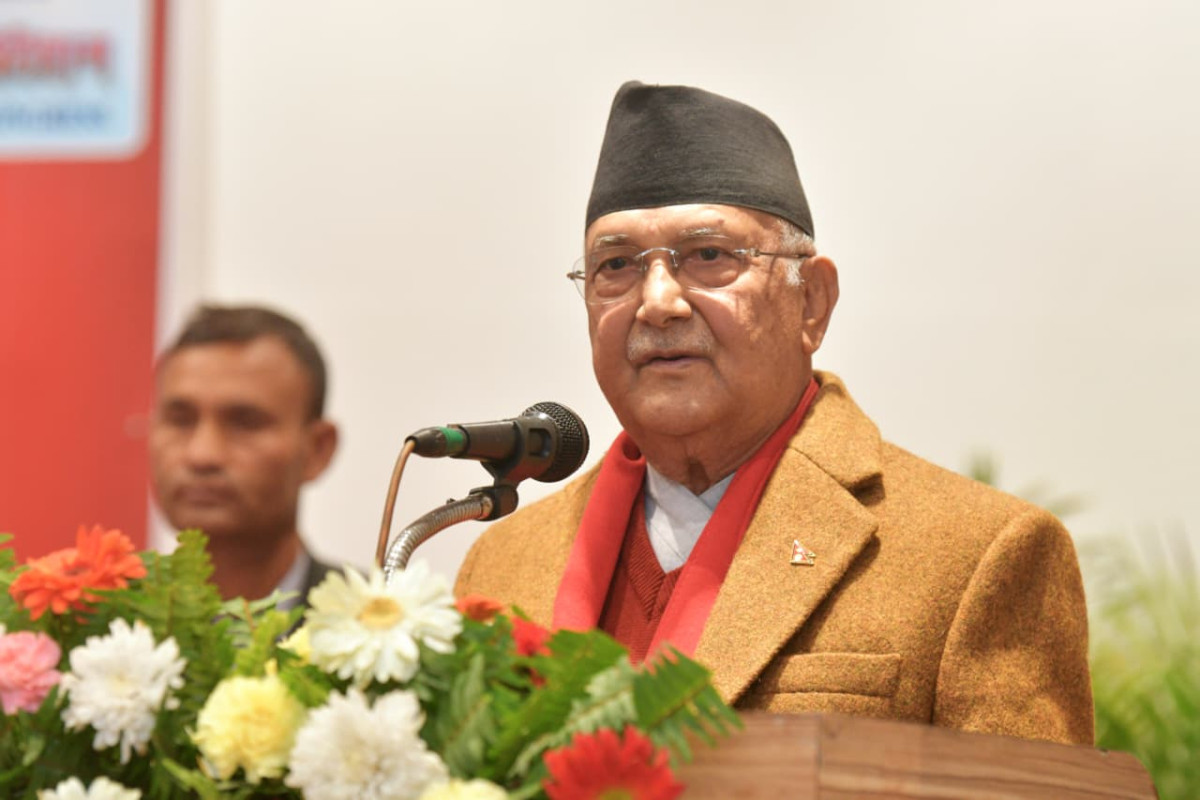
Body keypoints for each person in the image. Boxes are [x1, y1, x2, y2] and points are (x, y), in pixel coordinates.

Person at [455, 81, 1093, 745]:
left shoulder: (978, 554)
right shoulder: (499, 565)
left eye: (709, 256)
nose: (658, 302)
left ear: (811, 301)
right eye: (615, 265)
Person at [149, 304, 340, 610]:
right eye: (181, 420)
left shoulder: (387, 627)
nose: (202, 454)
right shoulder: (91, 627)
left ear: (317, 450)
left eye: (245, 423)